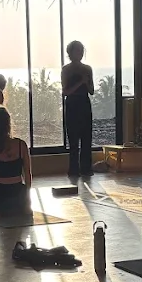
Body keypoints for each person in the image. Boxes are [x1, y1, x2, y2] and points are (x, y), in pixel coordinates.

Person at [61, 41, 95, 181]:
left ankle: (86, 168)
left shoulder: (87, 69)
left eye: (81, 51)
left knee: (87, 138)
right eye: (77, 50)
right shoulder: (66, 70)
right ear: (70, 53)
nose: (80, 53)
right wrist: (80, 82)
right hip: (72, 104)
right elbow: (65, 92)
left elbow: (92, 91)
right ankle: (74, 170)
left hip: (84, 103)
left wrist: (86, 83)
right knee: (73, 140)